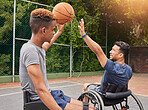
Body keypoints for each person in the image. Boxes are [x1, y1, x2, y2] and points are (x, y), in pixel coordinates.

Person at [19, 9, 94, 110]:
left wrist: (59, 32)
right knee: (90, 109)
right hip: (39, 100)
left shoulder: (37, 48)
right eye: (53, 29)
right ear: (44, 30)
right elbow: (40, 89)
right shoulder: (30, 50)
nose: (53, 32)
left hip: (51, 94)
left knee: (90, 107)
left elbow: (46, 46)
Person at [78, 19, 132, 93]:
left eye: (113, 50)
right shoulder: (129, 70)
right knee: (97, 83)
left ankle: (86, 105)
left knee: (85, 85)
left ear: (120, 55)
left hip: (105, 95)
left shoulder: (111, 67)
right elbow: (124, 84)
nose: (110, 52)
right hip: (118, 96)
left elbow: (98, 51)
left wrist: (84, 35)